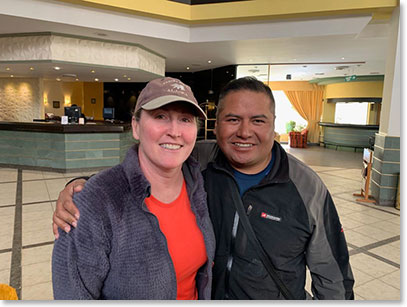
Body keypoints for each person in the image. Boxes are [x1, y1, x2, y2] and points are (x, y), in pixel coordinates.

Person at [53, 77, 354, 300]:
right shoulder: (200, 161)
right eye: (232, 119)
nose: (244, 132)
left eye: (258, 121)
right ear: (216, 124)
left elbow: (334, 279)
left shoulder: (306, 187)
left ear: (274, 125)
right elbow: (137, 174)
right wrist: (81, 187)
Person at [52, 77, 216, 300]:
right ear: (136, 127)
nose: (175, 131)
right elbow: (71, 296)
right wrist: (84, 189)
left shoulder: (199, 181)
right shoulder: (95, 203)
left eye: (185, 119)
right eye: (161, 116)